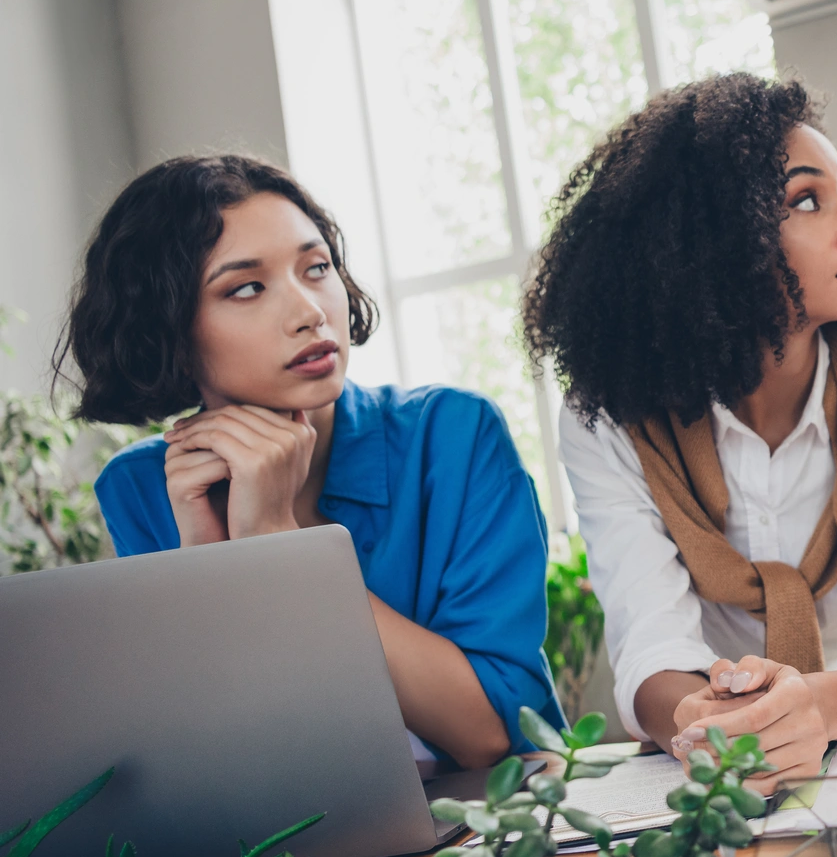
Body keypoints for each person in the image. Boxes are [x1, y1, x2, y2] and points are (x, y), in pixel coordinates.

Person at [525, 73, 837, 788]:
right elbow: (651, 651)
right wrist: (714, 725)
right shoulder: (607, 421)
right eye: (807, 200)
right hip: (702, 770)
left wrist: (813, 711)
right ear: (710, 242)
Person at [62, 155, 563, 768]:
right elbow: (210, 766)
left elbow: (492, 734)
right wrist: (210, 562)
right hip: (289, 851)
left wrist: (285, 545)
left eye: (317, 267)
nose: (311, 312)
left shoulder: (453, 434)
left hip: (490, 833)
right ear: (167, 332)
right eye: (246, 287)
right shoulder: (144, 486)